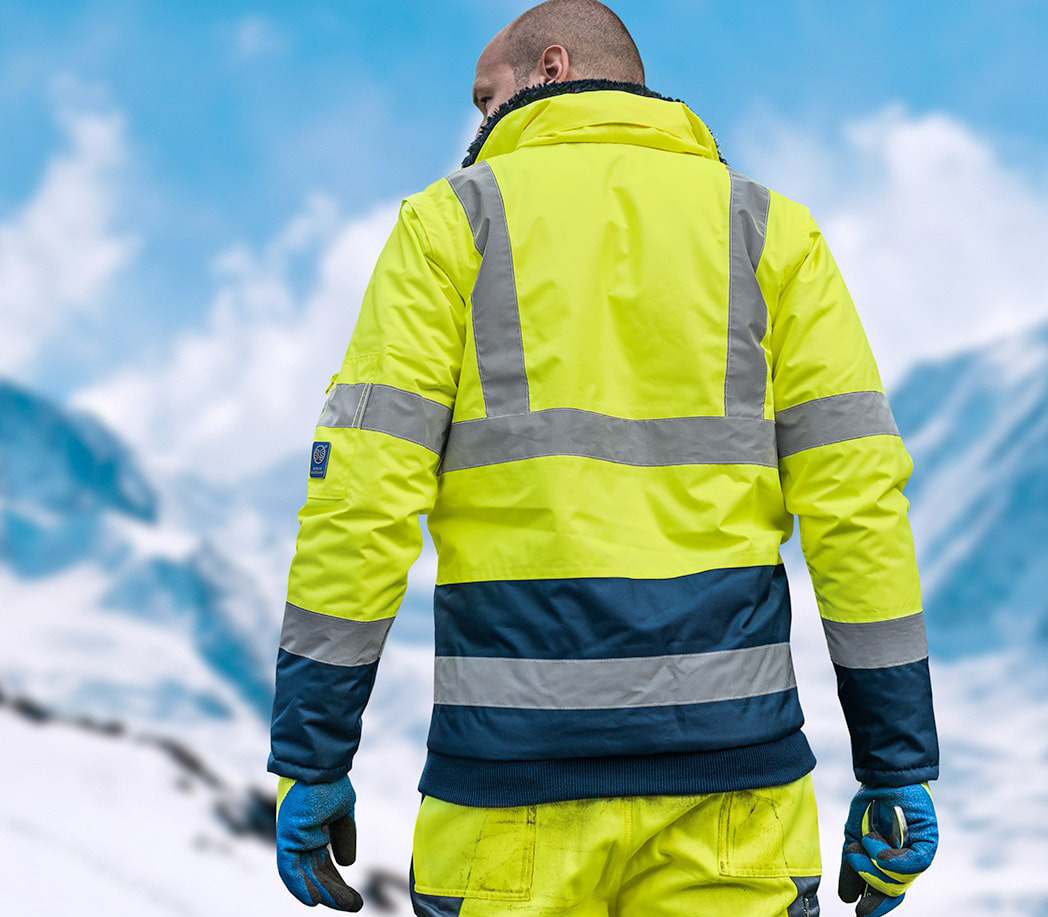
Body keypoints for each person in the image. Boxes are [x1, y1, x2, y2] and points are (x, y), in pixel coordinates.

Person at [268, 1, 940, 914]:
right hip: (735, 797)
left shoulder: (448, 226)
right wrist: (896, 760)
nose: (479, 126)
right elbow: (857, 502)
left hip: (506, 793)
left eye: (486, 97)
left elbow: (361, 499)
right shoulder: (772, 231)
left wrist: (312, 755)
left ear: (550, 67)